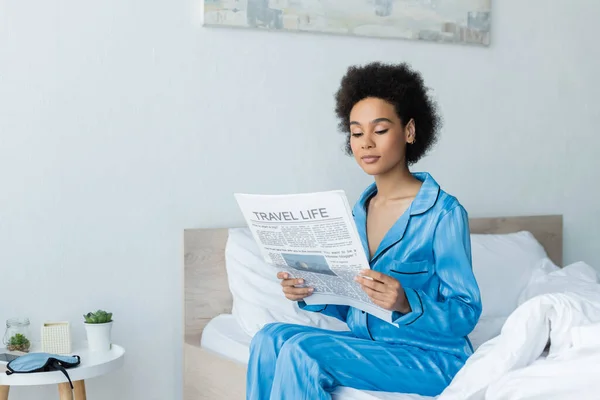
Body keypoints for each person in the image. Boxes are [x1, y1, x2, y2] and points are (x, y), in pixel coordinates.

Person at [246, 62, 482, 400]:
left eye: (380, 130)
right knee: (269, 338)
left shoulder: (443, 213)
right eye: (357, 133)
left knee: (304, 353)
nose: (366, 143)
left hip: (433, 358)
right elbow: (354, 304)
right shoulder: (357, 212)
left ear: (409, 131)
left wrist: (406, 301)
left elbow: (466, 312)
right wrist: (311, 291)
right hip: (374, 348)